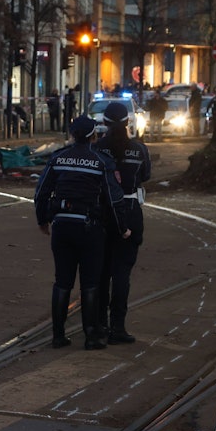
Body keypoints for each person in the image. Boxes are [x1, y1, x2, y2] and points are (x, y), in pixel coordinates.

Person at [34, 115, 131, 350]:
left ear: (71, 134)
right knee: (90, 283)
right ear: (93, 136)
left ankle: (58, 336)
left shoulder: (57, 159)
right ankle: (90, 336)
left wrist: (43, 221)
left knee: (62, 281)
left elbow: (41, 193)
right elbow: (114, 198)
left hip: (62, 227)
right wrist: (122, 228)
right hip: (90, 229)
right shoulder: (100, 161)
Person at [94, 102, 151, 344]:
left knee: (101, 272)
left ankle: (99, 325)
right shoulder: (139, 149)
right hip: (130, 212)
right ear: (128, 122)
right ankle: (118, 327)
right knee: (122, 273)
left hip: (102, 213)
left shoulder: (96, 149)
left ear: (104, 123)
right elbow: (145, 176)